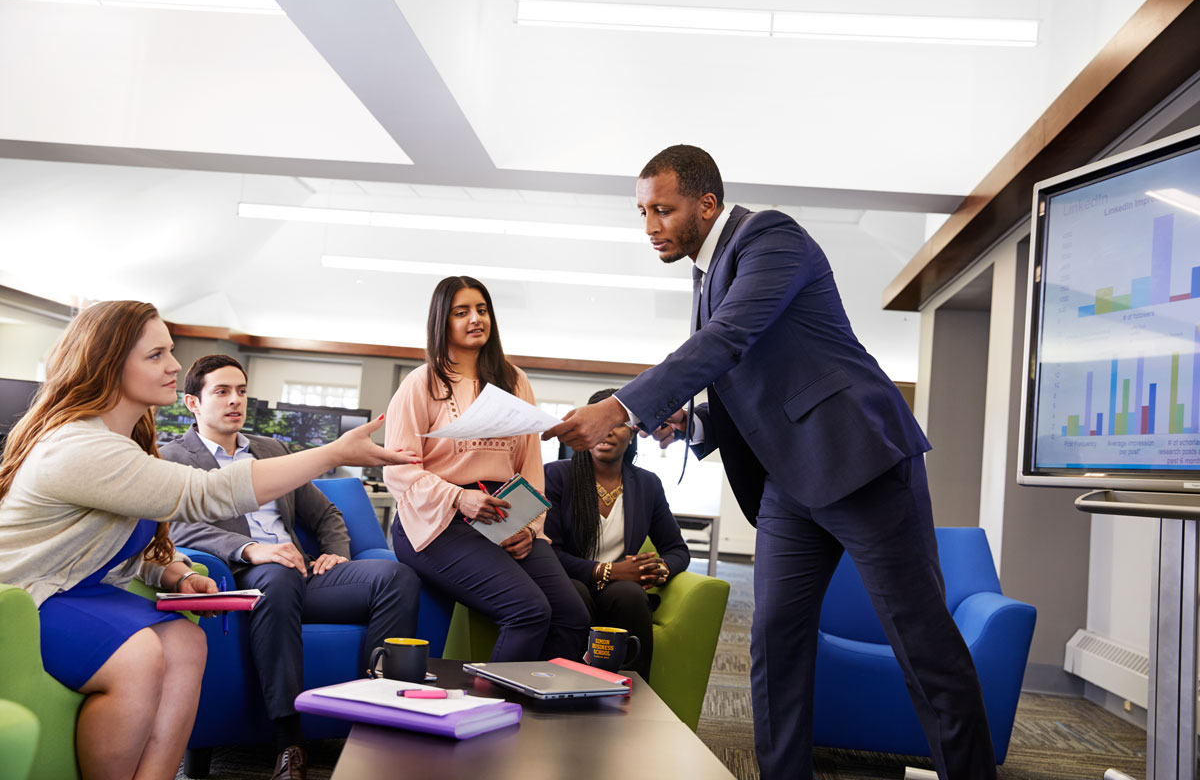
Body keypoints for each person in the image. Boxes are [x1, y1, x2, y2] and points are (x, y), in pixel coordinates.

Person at [543, 146, 996, 780]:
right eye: (642, 211)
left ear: (707, 204)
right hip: (789, 484)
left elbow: (728, 339)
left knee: (921, 643)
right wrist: (690, 420)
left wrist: (622, 405)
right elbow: (747, 383)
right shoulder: (705, 275)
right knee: (774, 642)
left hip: (859, 463)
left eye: (663, 210)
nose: (650, 226)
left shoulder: (771, 238)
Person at [0, 300, 419, 780]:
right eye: (156, 355)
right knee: (140, 656)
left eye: (170, 352)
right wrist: (332, 454)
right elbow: (204, 495)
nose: (174, 365)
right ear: (111, 366)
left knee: (186, 641)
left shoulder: (124, 442)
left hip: (77, 588)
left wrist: (173, 572)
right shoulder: (82, 447)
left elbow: (117, 545)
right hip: (28, 597)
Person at [160, 355, 422, 780]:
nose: (235, 401)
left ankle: (376, 719)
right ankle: (289, 741)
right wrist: (249, 549)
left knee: (397, 576)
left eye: (241, 391)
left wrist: (337, 550)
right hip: (245, 577)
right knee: (277, 576)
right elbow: (180, 527)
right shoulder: (172, 457)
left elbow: (326, 515)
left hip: (303, 577)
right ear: (192, 402)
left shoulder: (272, 450)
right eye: (222, 392)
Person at [383, 276, 588, 662]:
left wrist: (528, 528)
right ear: (443, 321)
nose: (476, 319)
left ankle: (537, 712)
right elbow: (397, 470)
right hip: (436, 522)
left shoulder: (513, 380)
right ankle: (487, 713)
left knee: (572, 615)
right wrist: (459, 498)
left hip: (503, 516)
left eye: (482, 310)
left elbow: (529, 466)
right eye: (462, 312)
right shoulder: (421, 383)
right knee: (528, 611)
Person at [543, 388, 690, 681]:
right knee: (575, 593)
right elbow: (548, 553)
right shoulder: (556, 475)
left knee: (631, 595)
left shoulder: (647, 485)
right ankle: (564, 689)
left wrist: (658, 570)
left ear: (633, 432)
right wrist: (606, 570)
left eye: (617, 425)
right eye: (598, 424)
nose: (607, 433)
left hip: (619, 588)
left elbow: (677, 549)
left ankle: (632, 693)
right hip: (568, 579)